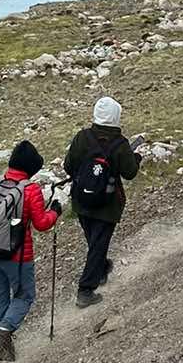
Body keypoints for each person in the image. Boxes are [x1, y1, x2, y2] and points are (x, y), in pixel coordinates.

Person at [0, 141, 62, 361]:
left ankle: (2, 348)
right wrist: (55, 212)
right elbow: (41, 224)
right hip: (18, 255)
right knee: (24, 296)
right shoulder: (30, 189)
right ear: (31, 167)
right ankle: (3, 334)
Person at [64, 96, 143, 307]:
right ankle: (85, 290)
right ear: (116, 116)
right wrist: (136, 159)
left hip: (81, 200)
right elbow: (129, 173)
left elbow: (68, 166)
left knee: (95, 241)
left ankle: (101, 269)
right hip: (107, 204)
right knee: (98, 243)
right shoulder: (120, 144)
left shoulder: (82, 137)